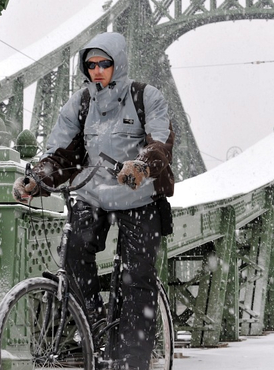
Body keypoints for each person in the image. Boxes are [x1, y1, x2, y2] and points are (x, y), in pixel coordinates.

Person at [12, 32, 174, 370]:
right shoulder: (80, 103)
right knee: (73, 251)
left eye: (104, 63)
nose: (97, 70)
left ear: (119, 64)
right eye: (91, 65)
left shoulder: (147, 97)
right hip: (93, 194)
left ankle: (132, 360)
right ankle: (94, 327)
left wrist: (142, 166)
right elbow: (61, 153)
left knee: (135, 281)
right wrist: (36, 180)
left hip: (138, 197)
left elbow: (160, 144)